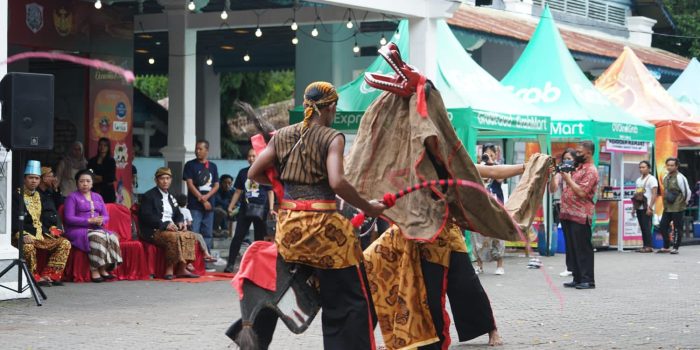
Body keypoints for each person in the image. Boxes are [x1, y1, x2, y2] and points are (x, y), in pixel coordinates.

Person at [247, 81, 385, 349]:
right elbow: (336, 182)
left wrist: (284, 189)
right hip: (325, 232)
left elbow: (254, 173)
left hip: (289, 231)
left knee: (281, 285)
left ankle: (253, 339)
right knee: (350, 298)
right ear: (331, 107)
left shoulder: (282, 135)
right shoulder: (332, 137)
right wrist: (368, 206)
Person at [12, 160, 72, 287]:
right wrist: (21, 234)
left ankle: (50, 275)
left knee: (64, 243)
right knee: (27, 247)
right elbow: (12, 218)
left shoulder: (41, 195)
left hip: (41, 234)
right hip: (22, 234)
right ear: (24, 179)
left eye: (36, 178)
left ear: (40, 180)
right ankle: (32, 276)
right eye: (30, 178)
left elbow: (48, 215)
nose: (34, 181)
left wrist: (53, 227)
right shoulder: (16, 195)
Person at [138, 167, 199, 279]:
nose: (165, 181)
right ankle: (169, 269)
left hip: (171, 228)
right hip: (154, 230)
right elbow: (146, 216)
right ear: (156, 180)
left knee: (189, 235)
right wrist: (165, 224)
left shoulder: (171, 196)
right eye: (162, 178)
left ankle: (182, 268)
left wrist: (180, 221)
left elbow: (178, 213)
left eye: (167, 178)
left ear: (170, 180)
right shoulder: (149, 196)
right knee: (173, 236)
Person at [63, 169, 123, 283]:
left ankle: (105, 268)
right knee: (98, 236)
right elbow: (69, 218)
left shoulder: (98, 197)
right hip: (77, 229)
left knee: (113, 237)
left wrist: (100, 220)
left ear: (92, 183)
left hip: (96, 227)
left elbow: (106, 216)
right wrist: (89, 220)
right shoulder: (72, 197)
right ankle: (95, 269)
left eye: (88, 181)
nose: (85, 184)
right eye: (81, 181)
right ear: (77, 183)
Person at [224, 149, 275, 273]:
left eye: (253, 156)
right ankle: (230, 264)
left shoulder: (264, 172)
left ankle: (258, 266)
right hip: (245, 210)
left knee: (259, 239)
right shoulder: (242, 173)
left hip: (261, 210)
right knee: (238, 236)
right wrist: (231, 206)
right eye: (249, 156)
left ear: (258, 157)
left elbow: (270, 191)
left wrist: (272, 209)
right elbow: (238, 191)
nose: (251, 158)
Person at [560, 141, 599, 290]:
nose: (576, 154)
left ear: (588, 153)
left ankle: (588, 280)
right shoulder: (578, 168)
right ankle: (577, 277)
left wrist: (568, 179)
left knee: (583, 249)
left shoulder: (591, 171)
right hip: (567, 214)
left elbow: (582, 192)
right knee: (573, 248)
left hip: (581, 215)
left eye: (579, 152)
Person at [473, 144, 506, 275]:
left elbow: (500, 179)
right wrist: (482, 163)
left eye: (491, 155)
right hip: (480, 207)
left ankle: (500, 265)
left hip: (496, 207)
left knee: (498, 236)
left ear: (496, 155)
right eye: (487, 155)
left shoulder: (499, 167)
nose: (489, 157)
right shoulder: (479, 166)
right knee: (478, 237)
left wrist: (492, 163)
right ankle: (479, 265)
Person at [183, 140, 219, 250]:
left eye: (200, 149)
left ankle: (205, 261)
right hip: (195, 205)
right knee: (194, 232)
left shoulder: (212, 166)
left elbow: (216, 185)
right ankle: (191, 262)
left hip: (209, 205)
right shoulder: (190, 165)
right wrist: (203, 200)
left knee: (207, 234)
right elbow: (189, 184)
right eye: (196, 149)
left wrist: (207, 197)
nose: (197, 151)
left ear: (206, 150)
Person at [548, 149, 576, 276]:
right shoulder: (561, 173)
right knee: (568, 239)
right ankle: (570, 267)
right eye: (565, 159)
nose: (567, 161)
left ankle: (578, 268)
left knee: (577, 240)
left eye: (569, 159)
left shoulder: (579, 172)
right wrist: (553, 175)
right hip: (564, 208)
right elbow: (552, 189)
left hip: (577, 209)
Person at [658, 157, 691, 254]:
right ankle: (666, 246)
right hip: (667, 206)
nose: (669, 167)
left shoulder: (680, 177)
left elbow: (686, 192)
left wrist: (684, 202)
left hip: (677, 206)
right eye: (668, 165)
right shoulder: (665, 177)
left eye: (672, 165)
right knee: (662, 225)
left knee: (677, 227)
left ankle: (675, 247)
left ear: (676, 166)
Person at [175, 193, 218, 267]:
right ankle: (206, 253)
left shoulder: (175, 210)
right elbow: (189, 223)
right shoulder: (187, 211)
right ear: (186, 203)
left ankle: (188, 263)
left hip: (177, 231)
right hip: (184, 231)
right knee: (199, 236)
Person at [631, 161, 658, 253]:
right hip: (639, 206)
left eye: (643, 167)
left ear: (649, 168)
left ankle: (649, 246)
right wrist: (634, 208)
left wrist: (650, 207)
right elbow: (637, 195)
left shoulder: (652, 179)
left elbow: (654, 194)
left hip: (647, 206)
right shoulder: (638, 180)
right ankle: (644, 245)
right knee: (642, 227)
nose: (641, 169)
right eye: (640, 167)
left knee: (647, 227)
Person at [87, 137, 117, 204]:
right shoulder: (92, 160)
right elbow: (89, 172)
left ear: (108, 147)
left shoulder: (111, 161)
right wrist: (99, 178)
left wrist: (99, 178)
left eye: (105, 145)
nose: (102, 147)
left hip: (107, 192)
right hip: (94, 190)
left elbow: (111, 177)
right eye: (100, 145)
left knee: (107, 211)